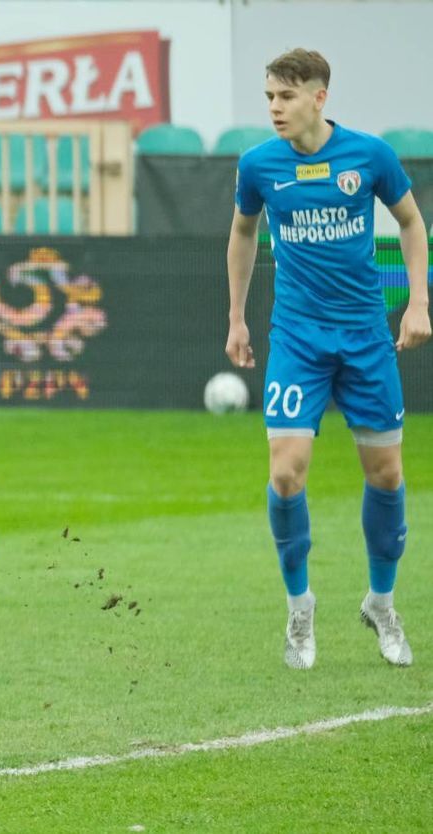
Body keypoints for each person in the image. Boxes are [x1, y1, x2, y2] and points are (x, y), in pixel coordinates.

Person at [226, 49, 430, 669]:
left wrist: (418, 302)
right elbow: (242, 233)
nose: (274, 109)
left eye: (284, 97)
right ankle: (299, 608)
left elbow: (412, 225)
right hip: (296, 339)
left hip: (367, 339)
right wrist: (236, 318)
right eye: (267, 98)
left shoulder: (369, 156)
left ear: (319, 97)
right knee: (286, 472)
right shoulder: (258, 165)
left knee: (387, 477)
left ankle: (381, 604)